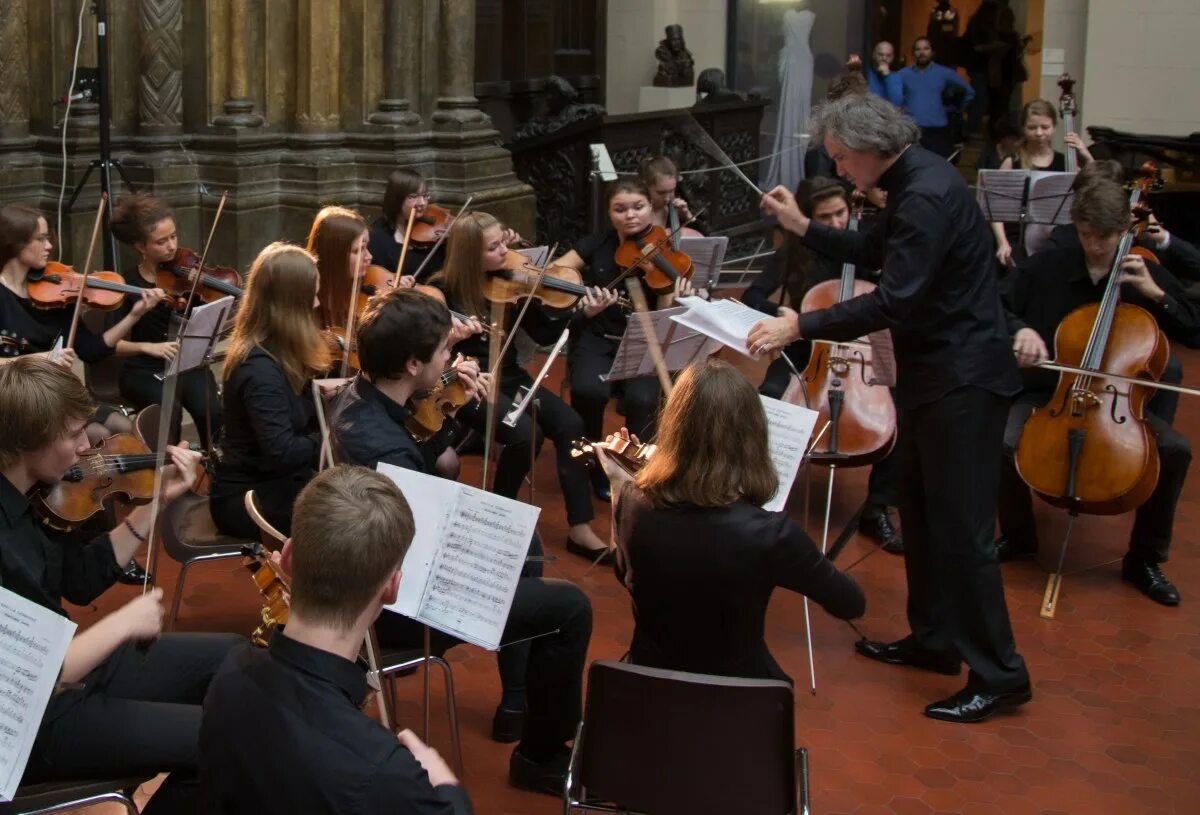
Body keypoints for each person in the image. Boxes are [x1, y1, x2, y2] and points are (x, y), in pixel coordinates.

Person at [749, 93, 1030, 723]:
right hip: (934, 376)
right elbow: (875, 253)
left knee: (963, 535)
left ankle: (1002, 674)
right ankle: (934, 641)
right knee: (924, 517)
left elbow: (894, 299)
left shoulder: (925, 194)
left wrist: (804, 326)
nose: (843, 172)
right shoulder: (913, 179)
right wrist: (803, 228)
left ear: (872, 148)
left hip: (963, 380)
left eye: (844, 159)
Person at [329, 287, 594, 793]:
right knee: (571, 608)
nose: (451, 358)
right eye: (443, 352)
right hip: (392, 607)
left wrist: (455, 405)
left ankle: (516, 699)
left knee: (527, 550)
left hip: (379, 560)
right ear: (410, 363)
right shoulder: (386, 449)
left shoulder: (361, 394)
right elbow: (417, 540)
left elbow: (427, 448)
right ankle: (540, 755)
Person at [0, 355, 242, 813]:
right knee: (225, 741)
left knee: (233, 655)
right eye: (71, 435)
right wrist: (123, 624)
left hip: (76, 664)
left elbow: (80, 581)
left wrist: (157, 502)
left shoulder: (32, 494)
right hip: (36, 718)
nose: (83, 448)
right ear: (26, 441)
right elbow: (33, 679)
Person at [199, 466, 473, 814]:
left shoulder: (229, 673)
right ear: (391, 588)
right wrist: (448, 790)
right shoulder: (383, 772)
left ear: (287, 558)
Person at [593, 359, 864, 681]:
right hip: (738, 698)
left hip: (646, 684)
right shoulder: (771, 534)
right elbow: (850, 603)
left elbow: (625, 574)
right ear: (750, 436)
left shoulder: (633, 501)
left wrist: (618, 483)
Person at [999, 178, 1199, 606]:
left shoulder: (1144, 270)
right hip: (1049, 394)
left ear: (1124, 230)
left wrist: (1156, 295)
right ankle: (1019, 538)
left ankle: (1144, 560)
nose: (1094, 245)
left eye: (1104, 237)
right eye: (1086, 234)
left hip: (1118, 404)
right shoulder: (1048, 265)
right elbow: (996, 305)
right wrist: (1022, 330)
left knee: (1176, 450)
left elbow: (1194, 329)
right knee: (1003, 442)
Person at [431, 212, 611, 560]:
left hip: (510, 377)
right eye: (494, 247)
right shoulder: (442, 290)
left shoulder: (511, 281)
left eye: (503, 242)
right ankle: (498, 517)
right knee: (524, 434)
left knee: (571, 423)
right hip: (467, 384)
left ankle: (580, 527)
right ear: (469, 255)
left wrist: (584, 314)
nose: (506, 251)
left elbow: (544, 334)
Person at [744, 177, 903, 555]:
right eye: (824, 217)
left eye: (841, 214)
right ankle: (764, 492)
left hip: (864, 349)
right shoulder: (797, 250)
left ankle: (876, 507)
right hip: (807, 349)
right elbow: (752, 294)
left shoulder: (871, 249)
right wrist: (780, 313)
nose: (834, 224)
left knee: (901, 412)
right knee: (769, 396)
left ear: (853, 210)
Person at [0, 202, 167, 444]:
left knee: (124, 429)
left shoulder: (56, 292)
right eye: (40, 239)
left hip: (58, 394)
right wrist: (45, 359)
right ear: (15, 242)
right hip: (21, 399)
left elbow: (91, 350)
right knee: (96, 436)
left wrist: (135, 315)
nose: (49, 246)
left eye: (49, 238)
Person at [555, 179, 697, 459]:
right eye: (620, 209)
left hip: (644, 340)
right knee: (587, 390)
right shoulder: (596, 244)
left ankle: (637, 465)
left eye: (638, 207)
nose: (630, 216)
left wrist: (669, 291)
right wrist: (583, 295)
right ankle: (590, 459)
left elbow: (661, 317)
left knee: (642, 399)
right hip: (599, 336)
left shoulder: (664, 247)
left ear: (650, 207)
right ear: (609, 212)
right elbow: (554, 272)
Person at [208, 242, 330, 539]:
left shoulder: (282, 351)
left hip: (278, 482)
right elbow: (282, 452)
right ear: (292, 304)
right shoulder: (258, 369)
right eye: (312, 295)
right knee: (348, 524)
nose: (317, 304)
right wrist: (329, 437)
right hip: (249, 498)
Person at [110, 194, 224, 449]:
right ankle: (165, 471)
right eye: (161, 242)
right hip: (144, 369)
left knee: (212, 411)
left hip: (187, 364)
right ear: (141, 246)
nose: (172, 246)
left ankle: (214, 468)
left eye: (173, 237)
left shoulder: (186, 276)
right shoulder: (127, 285)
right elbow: (110, 344)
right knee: (167, 413)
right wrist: (147, 346)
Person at [990, 100, 1095, 267]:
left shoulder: (1065, 162)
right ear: (1023, 128)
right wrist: (1002, 243)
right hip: (1018, 238)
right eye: (1032, 128)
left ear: (1054, 126)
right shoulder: (1012, 162)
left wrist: (1086, 155)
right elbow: (995, 209)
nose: (1039, 133)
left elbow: (1097, 185)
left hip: (1056, 237)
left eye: (1045, 127)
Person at [895, 37, 974, 158]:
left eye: (926, 48)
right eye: (918, 49)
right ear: (913, 53)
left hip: (937, 131)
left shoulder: (944, 73)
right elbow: (891, 97)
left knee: (937, 168)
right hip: (910, 131)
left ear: (932, 52)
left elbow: (969, 92)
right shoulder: (902, 74)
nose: (922, 52)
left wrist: (956, 109)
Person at [637, 156, 703, 237]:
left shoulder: (676, 210)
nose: (667, 198)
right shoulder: (636, 213)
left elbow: (703, 239)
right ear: (645, 186)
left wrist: (687, 216)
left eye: (671, 191)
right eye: (661, 193)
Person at [867, 40, 902, 105]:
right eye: (880, 54)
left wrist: (887, 76)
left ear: (892, 58)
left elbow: (896, 102)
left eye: (888, 55)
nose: (884, 58)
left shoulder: (896, 77)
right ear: (874, 55)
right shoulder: (866, 74)